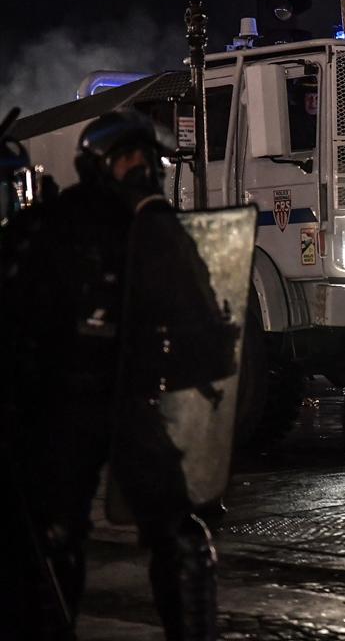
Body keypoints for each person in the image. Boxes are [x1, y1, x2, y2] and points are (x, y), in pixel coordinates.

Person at [1, 110, 226, 639]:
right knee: (53, 537)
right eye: (127, 158)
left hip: (131, 397)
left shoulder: (155, 228)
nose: (139, 168)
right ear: (100, 165)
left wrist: (199, 354)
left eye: (145, 158)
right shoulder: (56, 225)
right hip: (64, 404)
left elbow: (199, 310)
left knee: (182, 536)